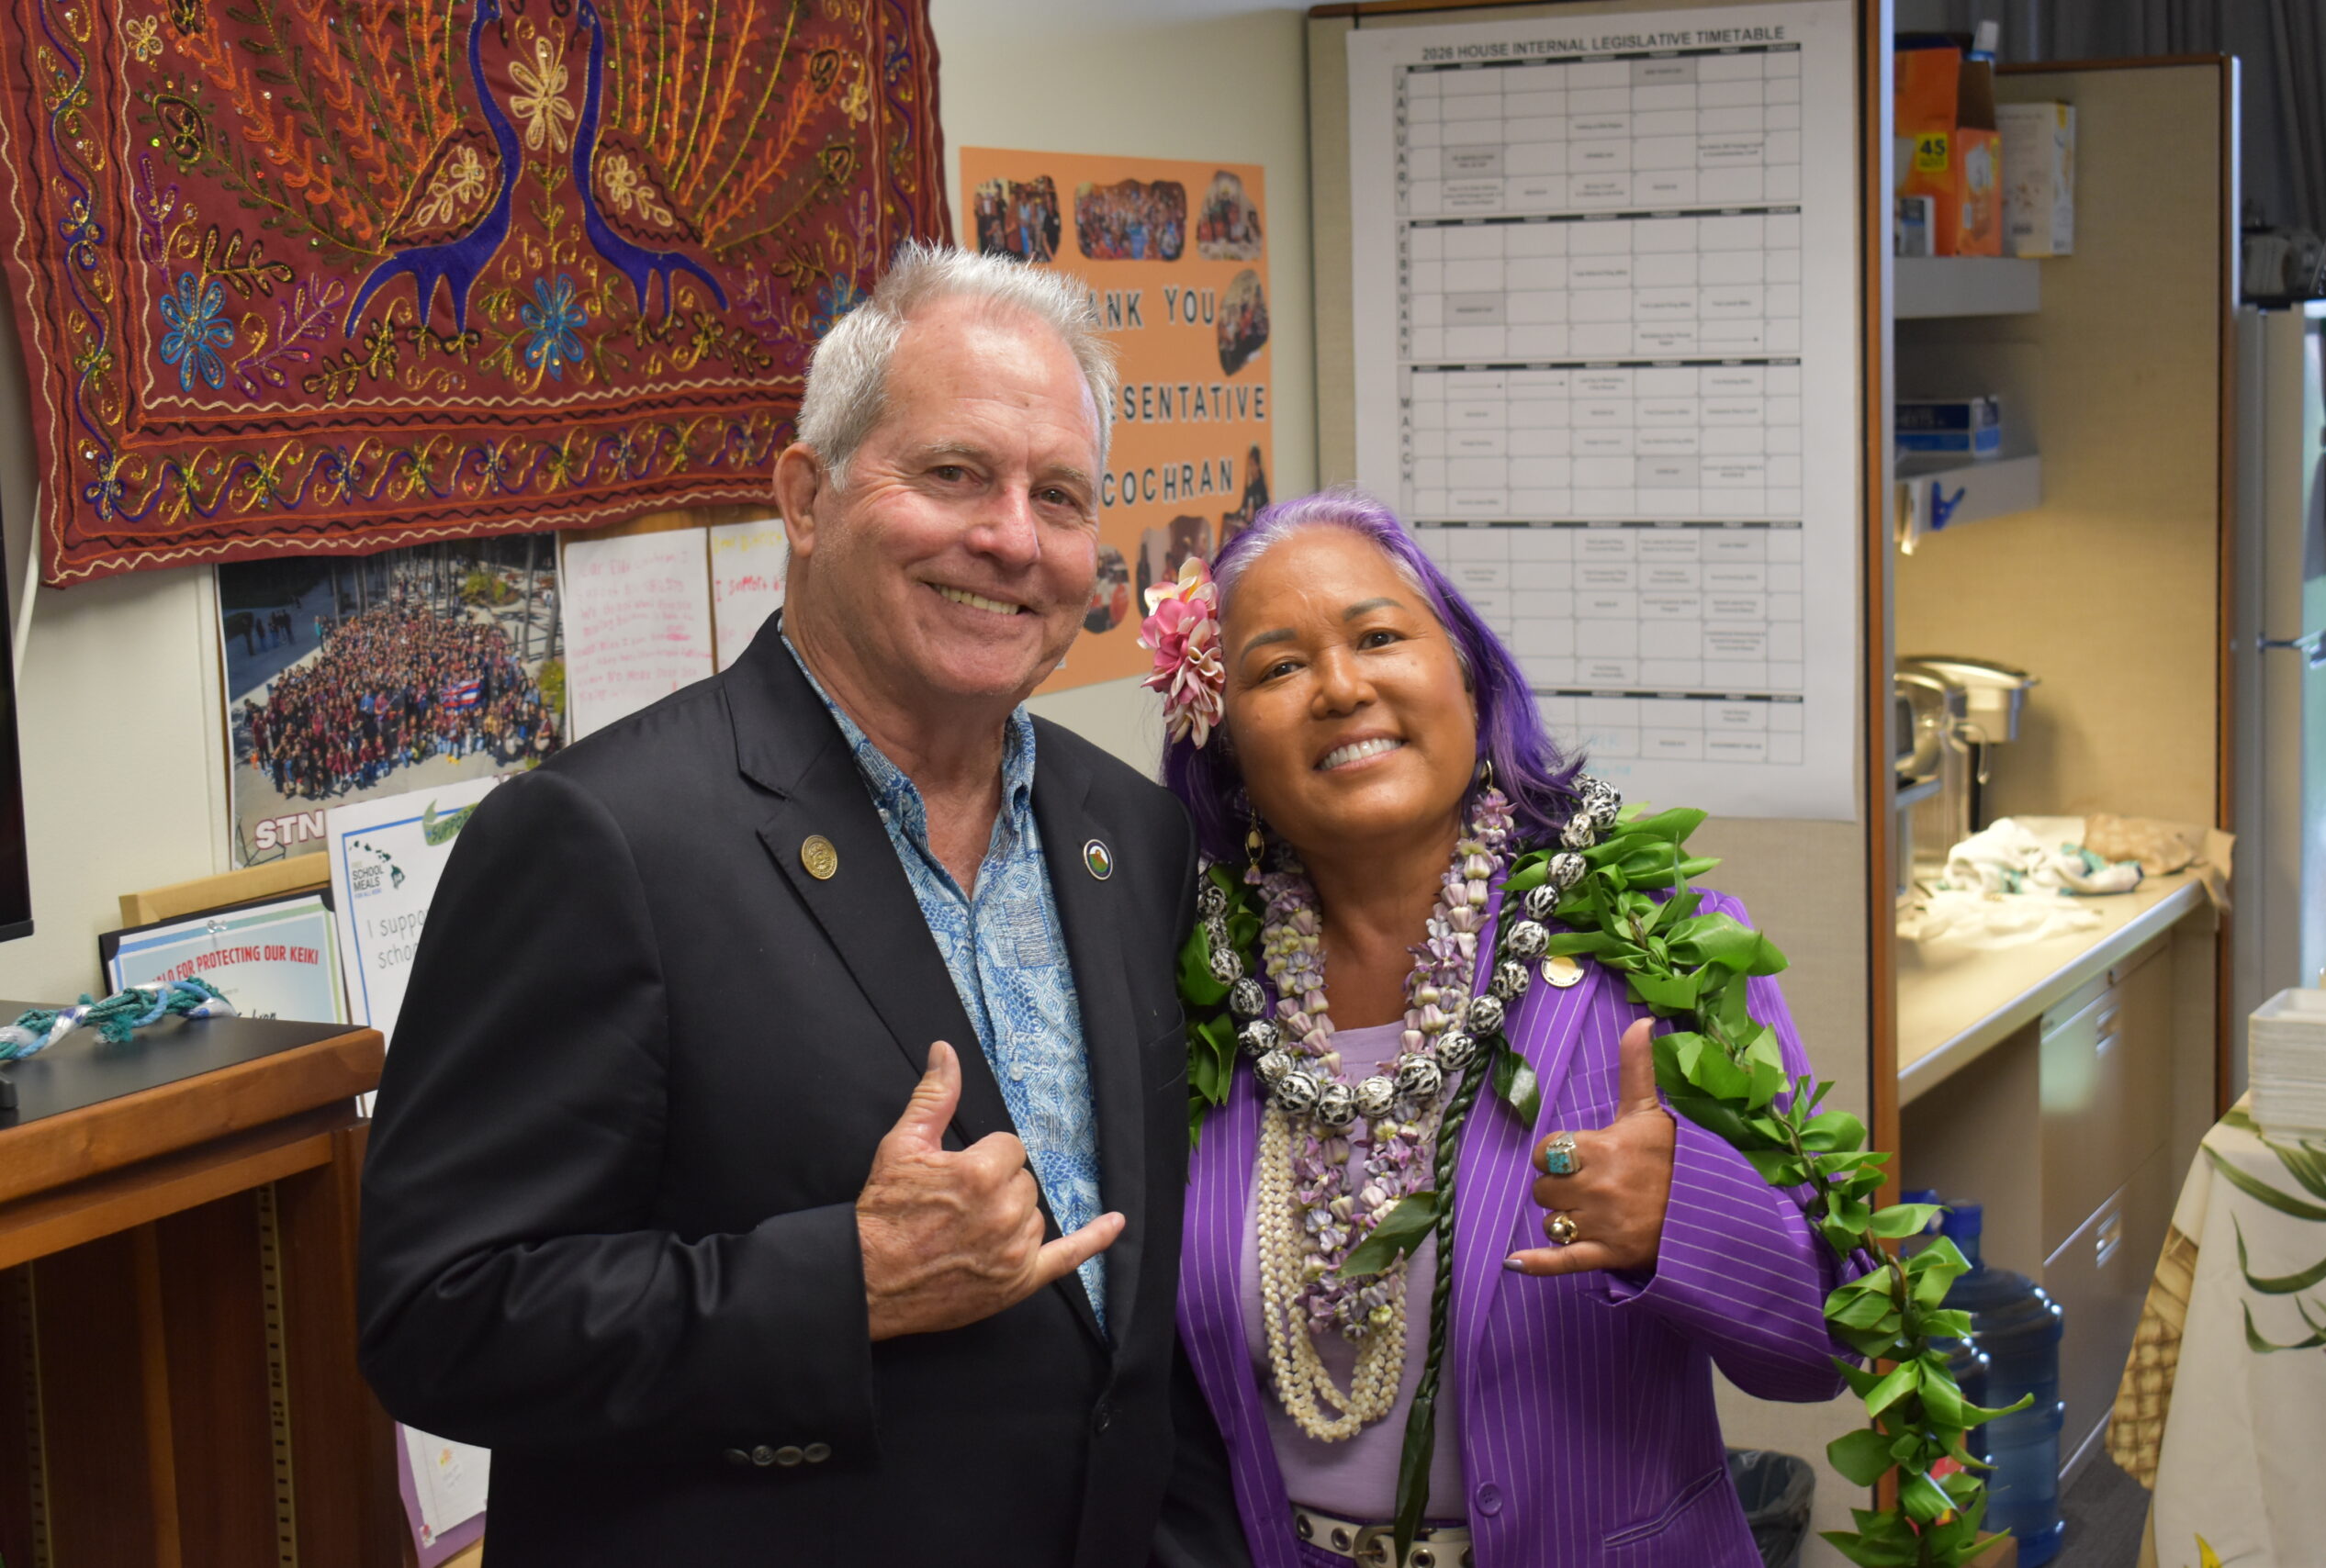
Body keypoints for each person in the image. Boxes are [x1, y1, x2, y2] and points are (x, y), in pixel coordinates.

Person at [358, 244, 1247, 1567]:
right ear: (806, 496)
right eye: (953, 474)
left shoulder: (1131, 835)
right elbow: (439, 1316)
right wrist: (845, 1286)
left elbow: (1130, 1339)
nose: (1010, 537)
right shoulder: (602, 841)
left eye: (1058, 497)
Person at [1141, 491, 1848, 1567]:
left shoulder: (1656, 955)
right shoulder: (1195, 996)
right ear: (1227, 738)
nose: (1340, 687)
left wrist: (1681, 1218)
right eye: (1278, 667)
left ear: (1466, 675)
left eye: (1379, 637)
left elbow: (1824, 1339)